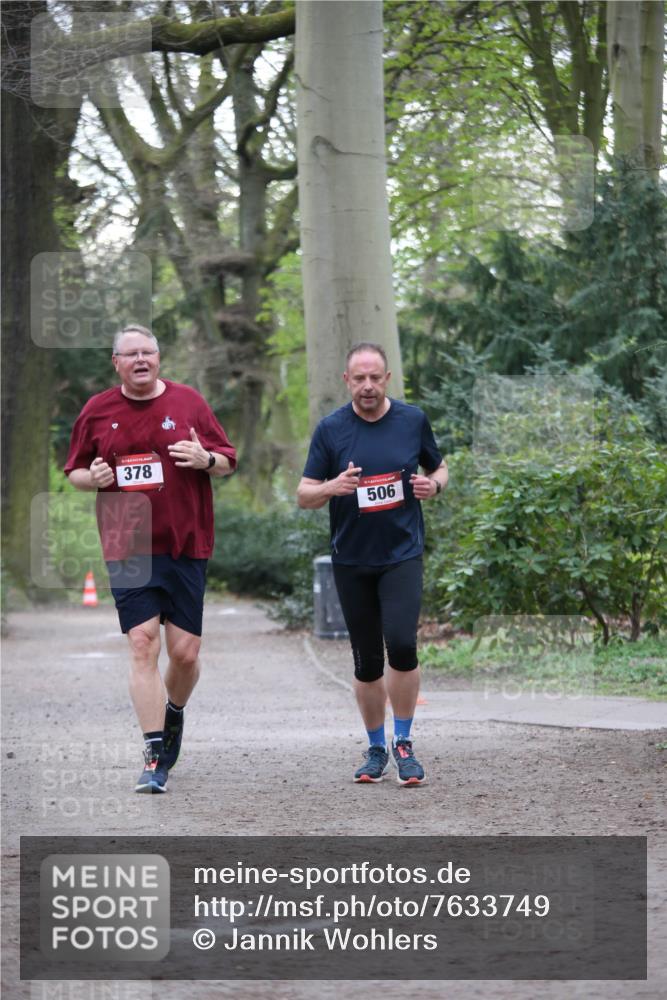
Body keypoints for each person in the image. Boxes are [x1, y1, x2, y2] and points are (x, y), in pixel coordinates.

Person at [65, 324, 237, 794]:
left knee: (184, 653)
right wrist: (93, 477)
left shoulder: (189, 403)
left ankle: (173, 711)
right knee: (142, 644)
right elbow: (75, 470)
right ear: (116, 363)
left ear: (159, 359)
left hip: (186, 543)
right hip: (128, 543)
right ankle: (155, 754)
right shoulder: (98, 410)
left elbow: (227, 459)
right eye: (131, 354)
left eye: (147, 352)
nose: (140, 360)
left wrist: (206, 459)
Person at [297, 343, 447, 786]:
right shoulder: (331, 430)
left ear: (387, 379)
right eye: (359, 378)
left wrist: (434, 486)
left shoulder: (412, 420)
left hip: (402, 554)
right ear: (347, 381)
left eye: (375, 377)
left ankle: (404, 743)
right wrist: (333, 487)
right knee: (366, 662)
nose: (367, 386)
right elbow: (304, 494)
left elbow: (440, 468)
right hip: (352, 560)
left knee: (401, 645)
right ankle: (376, 747)